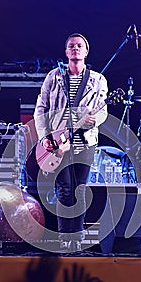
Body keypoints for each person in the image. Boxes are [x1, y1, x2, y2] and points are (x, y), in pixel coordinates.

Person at [34, 33, 108, 251]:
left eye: (79, 46)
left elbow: (103, 109)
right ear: (66, 52)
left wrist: (95, 120)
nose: (75, 49)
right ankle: (64, 236)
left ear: (86, 52)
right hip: (58, 142)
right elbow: (40, 108)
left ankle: (76, 238)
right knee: (64, 189)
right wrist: (44, 137)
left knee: (80, 189)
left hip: (85, 142)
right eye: (71, 46)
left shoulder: (97, 79)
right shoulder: (54, 77)